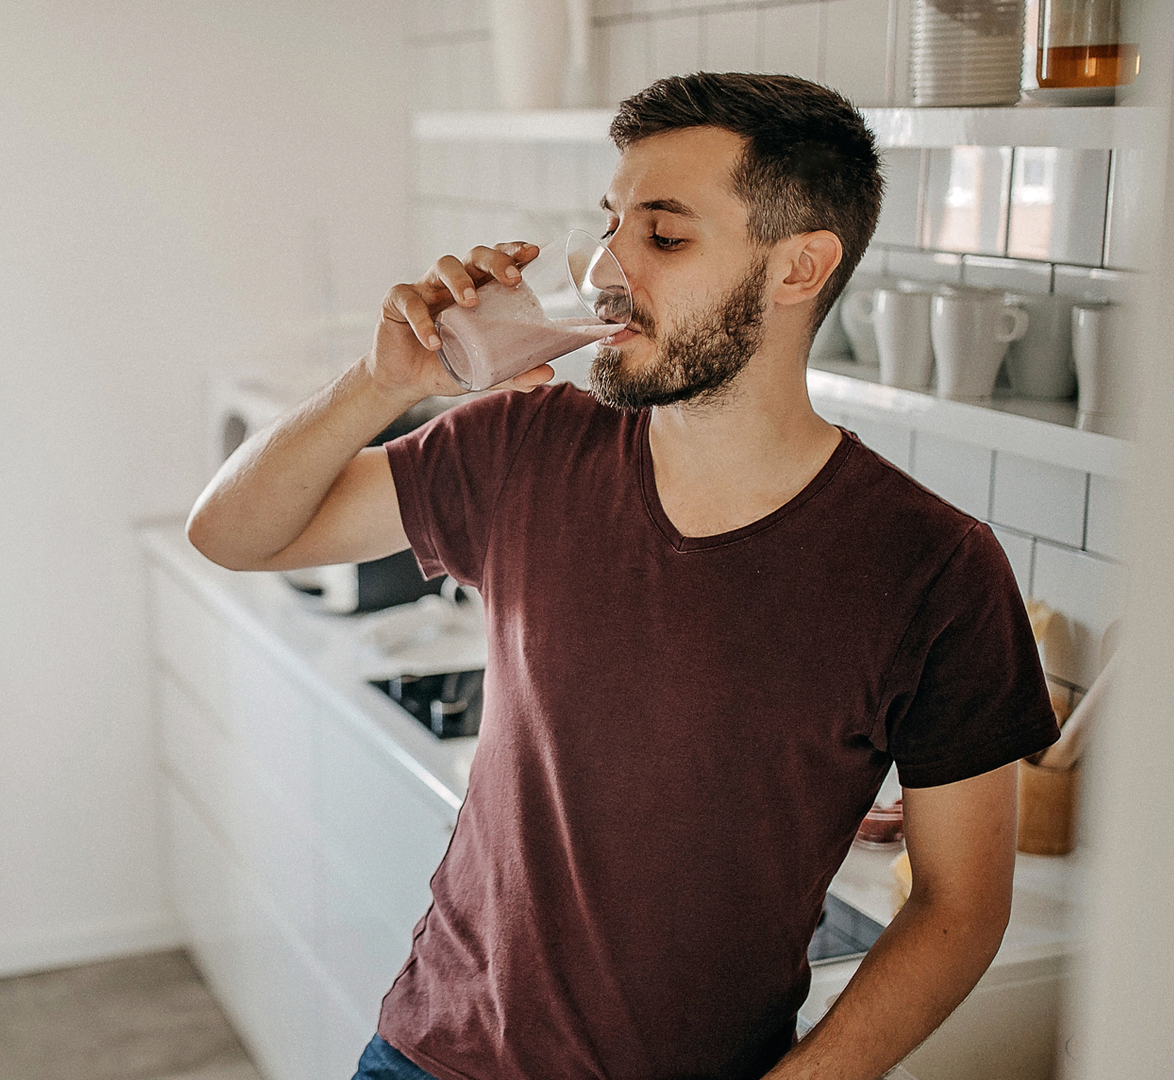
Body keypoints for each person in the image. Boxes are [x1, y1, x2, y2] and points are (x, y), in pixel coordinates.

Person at [186, 72, 1059, 1080]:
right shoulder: (524, 448)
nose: (603, 265)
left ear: (799, 268)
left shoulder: (933, 568)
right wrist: (381, 381)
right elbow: (234, 532)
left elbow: (961, 905)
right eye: (610, 224)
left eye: (664, 234)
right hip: (430, 1055)